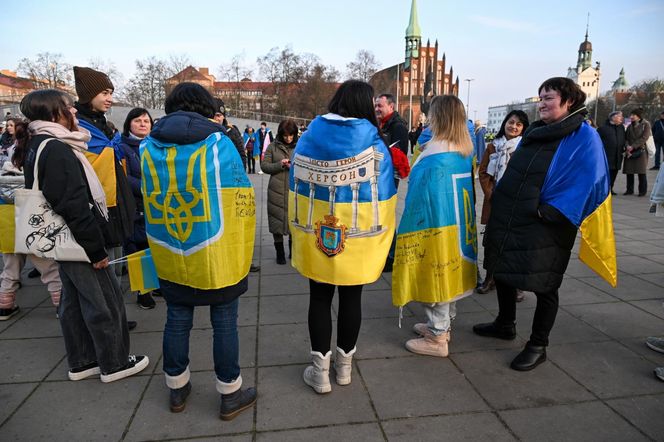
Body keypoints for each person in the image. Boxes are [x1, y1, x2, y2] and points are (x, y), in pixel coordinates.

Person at [473, 77, 612, 371]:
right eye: (541, 98)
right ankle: (505, 323)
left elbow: (589, 180)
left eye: (549, 98)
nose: (543, 104)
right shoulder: (537, 131)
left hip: (546, 224)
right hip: (513, 216)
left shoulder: (582, 136)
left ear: (569, 101)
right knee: (505, 270)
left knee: (545, 284)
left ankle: (538, 345)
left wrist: (547, 212)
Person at [142, 82, 256, 417]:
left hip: (171, 248)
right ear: (206, 107)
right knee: (224, 321)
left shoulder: (149, 146)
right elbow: (241, 195)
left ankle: (177, 390)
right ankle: (230, 393)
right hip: (217, 251)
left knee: (176, 319)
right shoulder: (218, 142)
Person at [17, 89, 149, 381]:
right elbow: (73, 205)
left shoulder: (40, 143)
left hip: (63, 242)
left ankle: (83, 361)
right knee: (103, 301)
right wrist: (96, 250)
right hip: (77, 241)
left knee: (74, 302)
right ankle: (114, 362)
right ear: (54, 114)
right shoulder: (57, 148)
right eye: (68, 108)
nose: (75, 112)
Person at [289, 80, 396, 394]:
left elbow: (295, 177)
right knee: (352, 298)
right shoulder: (373, 140)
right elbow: (388, 187)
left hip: (317, 231)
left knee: (319, 298)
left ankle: (320, 372)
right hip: (357, 234)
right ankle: (345, 368)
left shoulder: (311, 134)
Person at [392, 95, 477, 357]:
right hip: (457, 224)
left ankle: (438, 338)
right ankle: (441, 325)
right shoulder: (462, 149)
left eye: (432, 115)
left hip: (434, 224)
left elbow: (421, 193)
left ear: (439, 117)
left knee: (436, 274)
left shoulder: (437, 154)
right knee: (449, 275)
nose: (427, 119)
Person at [73, 66, 136, 280]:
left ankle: (115, 312)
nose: (109, 98)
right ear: (88, 95)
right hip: (96, 207)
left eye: (111, 93)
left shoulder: (103, 125)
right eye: (104, 93)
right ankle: (109, 312)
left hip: (115, 204)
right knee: (104, 272)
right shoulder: (77, 128)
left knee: (116, 266)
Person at [0, 119, 63, 320]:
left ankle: (5, 306)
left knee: (10, 269)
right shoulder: (35, 162)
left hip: (7, 225)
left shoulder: (5, 167)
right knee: (50, 269)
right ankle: (60, 305)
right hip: (32, 223)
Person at [477, 110, 530, 295]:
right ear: (504, 123)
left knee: (514, 245)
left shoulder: (525, 147)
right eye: (511, 122)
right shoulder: (493, 146)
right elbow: (483, 172)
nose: (513, 127)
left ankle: (515, 286)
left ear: (523, 128)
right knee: (492, 242)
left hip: (516, 204)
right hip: (495, 203)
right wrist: (491, 193)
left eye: (518, 124)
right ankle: (490, 278)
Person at [118, 108, 157, 309]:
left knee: (154, 246)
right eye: (137, 120)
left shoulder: (156, 145)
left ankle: (155, 283)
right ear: (129, 124)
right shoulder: (122, 147)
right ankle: (143, 292)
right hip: (135, 206)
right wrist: (148, 188)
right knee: (138, 249)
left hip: (156, 205)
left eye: (146, 121)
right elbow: (123, 176)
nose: (143, 124)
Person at [260, 119, 298, 265]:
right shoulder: (272, 147)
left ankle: (293, 253)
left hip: (294, 190)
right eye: (285, 135)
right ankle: (280, 254)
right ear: (280, 134)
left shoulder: (300, 146)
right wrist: (279, 165)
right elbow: (264, 166)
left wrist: (292, 166)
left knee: (293, 222)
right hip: (276, 190)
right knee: (276, 222)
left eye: (291, 135)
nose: (288, 138)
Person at [623, 108, 652, 197]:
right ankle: (629, 190)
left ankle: (642, 191)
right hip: (630, 150)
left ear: (638, 116)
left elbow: (644, 137)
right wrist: (627, 146)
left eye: (633, 115)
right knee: (629, 171)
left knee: (641, 172)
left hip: (641, 150)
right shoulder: (629, 125)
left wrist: (633, 146)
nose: (631, 117)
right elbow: (626, 137)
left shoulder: (646, 124)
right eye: (631, 115)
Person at [597, 111, 626, 195]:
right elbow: (597, 141)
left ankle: (610, 188)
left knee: (614, 173)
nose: (621, 118)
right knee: (606, 173)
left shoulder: (621, 128)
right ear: (613, 117)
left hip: (618, 155)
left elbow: (623, 139)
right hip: (606, 155)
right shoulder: (602, 128)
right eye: (619, 116)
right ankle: (604, 190)